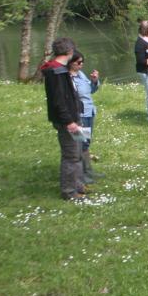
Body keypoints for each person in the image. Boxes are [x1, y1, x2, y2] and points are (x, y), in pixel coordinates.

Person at [41, 38, 86, 200]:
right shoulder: (57, 72)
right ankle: (69, 192)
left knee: (79, 152)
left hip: (75, 117)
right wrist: (69, 122)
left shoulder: (61, 69)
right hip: (68, 121)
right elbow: (59, 101)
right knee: (71, 155)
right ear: (69, 52)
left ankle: (79, 185)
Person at [68, 51, 101, 186]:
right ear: (71, 63)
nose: (82, 65)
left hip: (89, 112)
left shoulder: (80, 74)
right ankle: (81, 174)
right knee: (80, 144)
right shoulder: (68, 78)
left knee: (86, 143)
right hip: (80, 115)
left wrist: (94, 81)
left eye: (83, 62)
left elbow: (90, 90)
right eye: (79, 62)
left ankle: (88, 171)